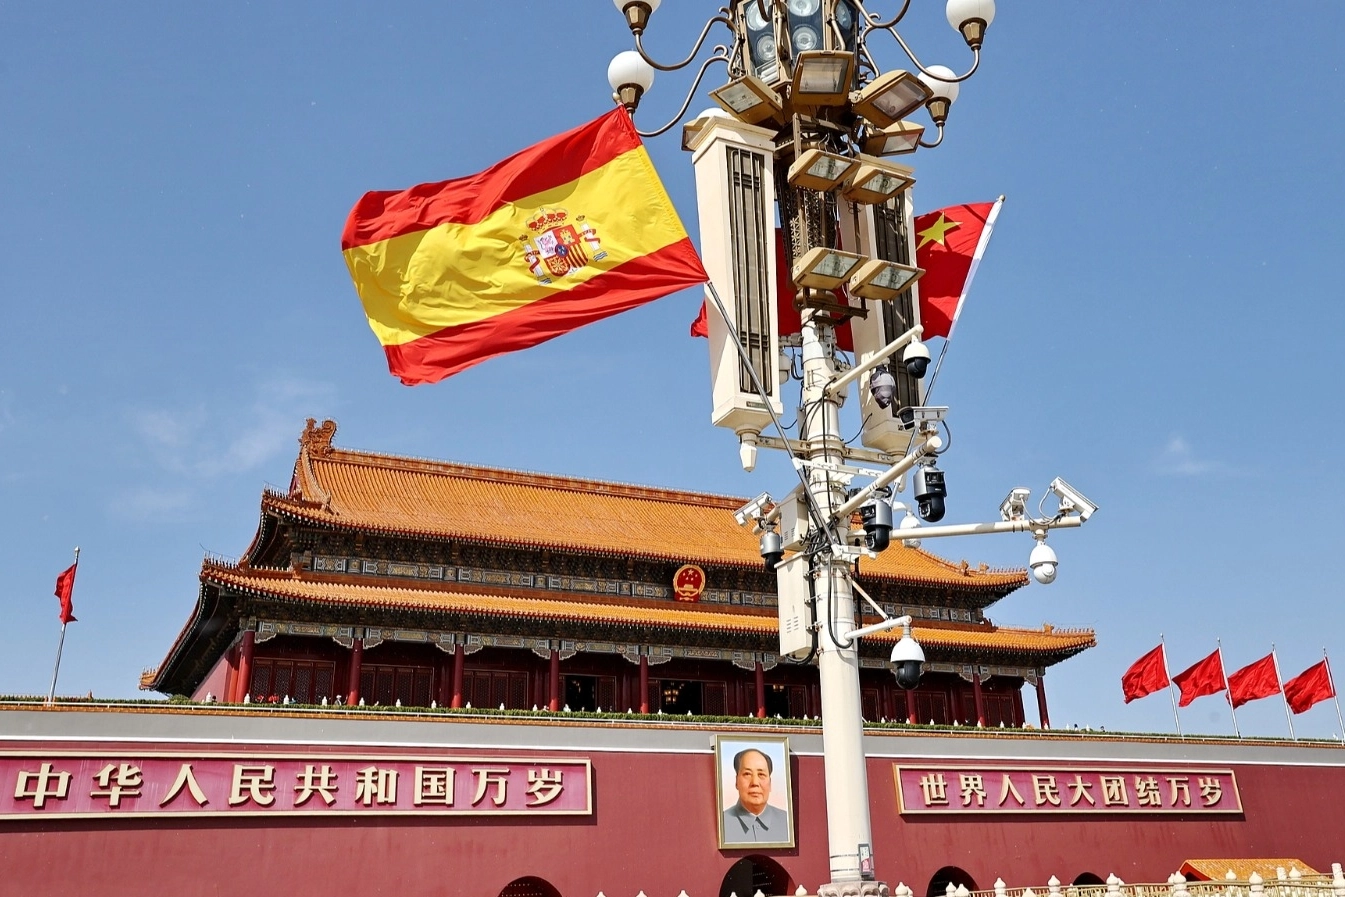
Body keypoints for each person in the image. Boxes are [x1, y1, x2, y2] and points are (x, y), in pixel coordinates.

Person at [721, 747, 789, 844]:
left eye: (761, 774)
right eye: (747, 774)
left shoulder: (787, 822)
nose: (755, 783)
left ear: (770, 783)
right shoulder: (721, 823)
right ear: (736, 781)